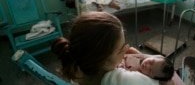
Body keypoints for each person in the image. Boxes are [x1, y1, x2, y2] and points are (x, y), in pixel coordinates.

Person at [51, 11, 184, 85]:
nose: (127, 49)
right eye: (121, 49)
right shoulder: (128, 81)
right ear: (103, 60)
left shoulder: (77, 68)